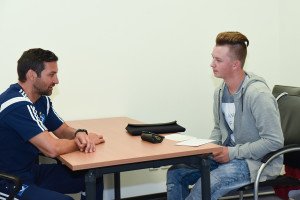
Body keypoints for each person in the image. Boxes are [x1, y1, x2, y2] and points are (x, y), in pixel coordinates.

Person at [166, 31, 284, 200]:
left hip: (257, 162)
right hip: (231, 156)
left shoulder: (258, 94)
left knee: (206, 185)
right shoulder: (220, 92)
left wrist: (232, 153)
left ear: (235, 65)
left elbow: (274, 141)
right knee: (176, 172)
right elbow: (218, 129)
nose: (211, 64)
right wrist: (209, 149)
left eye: (218, 60)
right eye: (213, 58)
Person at [0, 48, 105, 200]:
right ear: (32, 75)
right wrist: (81, 143)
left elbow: (62, 130)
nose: (56, 81)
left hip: (30, 172)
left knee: (93, 177)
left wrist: (80, 133)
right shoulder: (16, 105)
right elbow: (52, 149)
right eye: (51, 74)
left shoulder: (41, 100)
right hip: (7, 181)